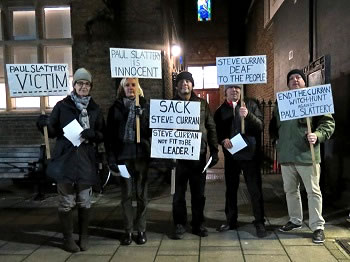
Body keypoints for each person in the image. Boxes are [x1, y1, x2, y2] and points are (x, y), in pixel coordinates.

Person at [37, 68, 105, 252]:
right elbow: (51, 131)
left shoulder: (95, 108)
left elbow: (102, 134)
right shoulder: (62, 106)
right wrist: (43, 123)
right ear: (73, 85)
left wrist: (93, 134)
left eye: (87, 84)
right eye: (80, 83)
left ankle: (84, 236)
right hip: (65, 161)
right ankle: (68, 239)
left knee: (84, 200)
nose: (83, 86)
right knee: (66, 201)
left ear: (91, 87)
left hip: (85, 161)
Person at [269, 69, 335, 244]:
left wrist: (318, 135)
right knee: (291, 191)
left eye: (298, 77)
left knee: (313, 192)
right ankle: (295, 220)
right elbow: (274, 125)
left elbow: (328, 123)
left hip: (307, 155)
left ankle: (317, 226)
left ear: (305, 81)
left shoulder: (314, 98)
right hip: (287, 155)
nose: (295, 80)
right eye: (291, 78)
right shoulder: (281, 102)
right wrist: (277, 140)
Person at [214, 84, 267, 238]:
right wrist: (223, 140)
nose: (234, 90)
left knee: (254, 190)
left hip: (250, 155)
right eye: (231, 88)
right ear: (225, 92)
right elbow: (216, 131)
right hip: (231, 156)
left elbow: (260, 126)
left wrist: (248, 115)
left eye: (237, 88)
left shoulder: (251, 104)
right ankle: (231, 220)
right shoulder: (220, 111)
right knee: (231, 190)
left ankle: (259, 222)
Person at [172, 71, 219, 239]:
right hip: (177, 157)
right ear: (177, 85)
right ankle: (179, 223)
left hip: (198, 155)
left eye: (188, 81)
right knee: (178, 194)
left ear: (192, 85)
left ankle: (198, 223)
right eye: (181, 81)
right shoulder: (169, 104)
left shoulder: (202, 105)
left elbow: (211, 126)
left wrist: (214, 149)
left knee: (199, 194)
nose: (185, 84)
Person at [105, 78, 151, 245]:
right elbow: (109, 136)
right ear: (122, 88)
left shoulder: (145, 106)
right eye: (127, 85)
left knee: (142, 196)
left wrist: (142, 117)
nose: (130, 88)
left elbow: (150, 132)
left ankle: (141, 230)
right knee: (126, 195)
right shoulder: (115, 108)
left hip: (141, 158)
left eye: (133, 85)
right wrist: (110, 158)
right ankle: (128, 230)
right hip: (123, 157)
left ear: (138, 88)